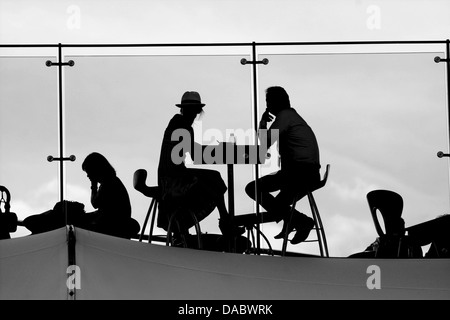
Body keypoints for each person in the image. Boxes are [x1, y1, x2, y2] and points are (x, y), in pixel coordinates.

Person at [157, 91, 243, 238]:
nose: (192, 114)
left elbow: (194, 153)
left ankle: (221, 221)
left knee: (212, 181)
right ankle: (225, 222)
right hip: (174, 176)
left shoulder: (177, 123)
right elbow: (196, 154)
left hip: (170, 175)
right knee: (214, 179)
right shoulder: (182, 125)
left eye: (194, 110)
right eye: (191, 110)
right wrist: (223, 150)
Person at [245, 86, 320, 244]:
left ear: (274, 102)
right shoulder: (292, 117)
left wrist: (263, 122)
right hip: (307, 172)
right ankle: (292, 220)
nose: (267, 105)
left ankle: (300, 221)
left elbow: (265, 143)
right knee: (278, 206)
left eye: (268, 101)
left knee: (253, 189)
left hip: (299, 172)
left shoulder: (285, 117)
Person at [79, 152, 138, 238]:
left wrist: (93, 184)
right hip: (114, 221)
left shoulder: (108, 183)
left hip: (113, 225)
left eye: (89, 172)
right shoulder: (112, 181)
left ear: (95, 170)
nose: (88, 175)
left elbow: (95, 204)